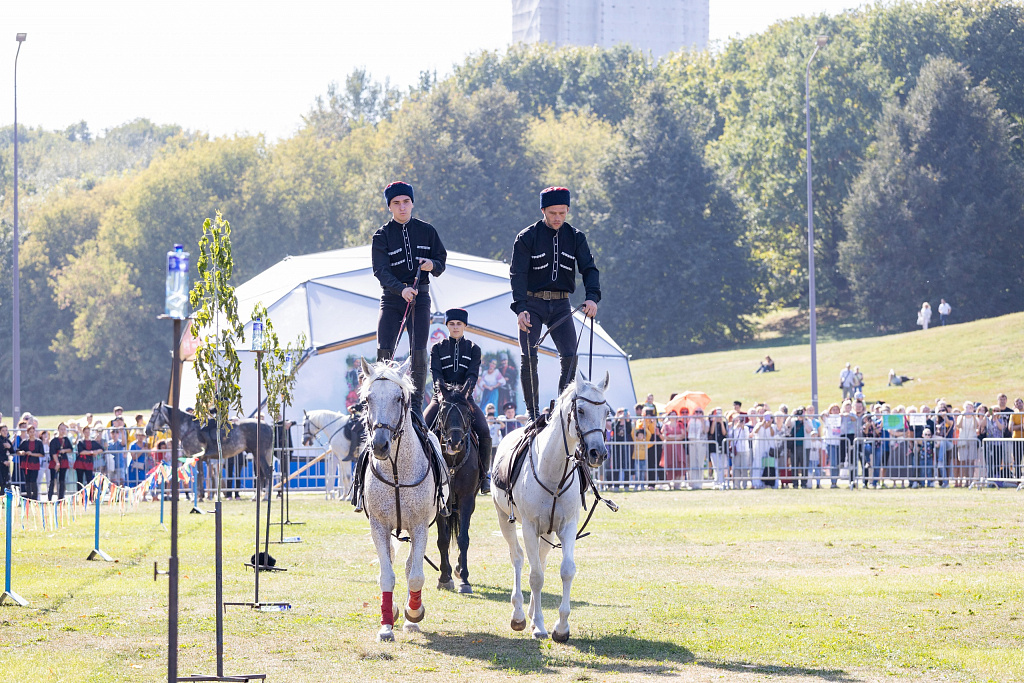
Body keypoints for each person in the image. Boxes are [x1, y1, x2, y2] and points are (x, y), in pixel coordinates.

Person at [510, 186, 600, 421]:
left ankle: (562, 410)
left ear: (568, 210)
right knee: (529, 355)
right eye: (552, 213)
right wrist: (520, 308)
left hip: (562, 305)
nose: (557, 218)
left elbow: (589, 269)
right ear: (543, 210)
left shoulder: (577, 237)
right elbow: (517, 274)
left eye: (562, 212)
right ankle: (532, 413)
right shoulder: (526, 237)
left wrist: (592, 296)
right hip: (532, 304)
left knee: (570, 356)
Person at [370, 180, 447, 418]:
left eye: (406, 202)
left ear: (412, 203)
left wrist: (431, 264)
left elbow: (441, 261)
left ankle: (414, 408)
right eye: (396, 203)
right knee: (384, 351)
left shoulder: (427, 231)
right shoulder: (381, 236)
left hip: (420, 298)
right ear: (389, 207)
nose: (402, 207)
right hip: (392, 299)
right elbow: (380, 271)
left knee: (419, 351)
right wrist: (400, 289)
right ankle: (382, 402)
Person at [421, 308, 493, 495]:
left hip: (464, 398)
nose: (455, 327)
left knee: (484, 430)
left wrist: (463, 393)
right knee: (422, 427)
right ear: (447, 326)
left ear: (464, 326)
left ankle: (485, 476)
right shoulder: (437, 348)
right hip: (442, 397)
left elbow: (472, 375)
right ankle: (421, 472)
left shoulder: (473, 349)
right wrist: (442, 392)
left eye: (458, 324)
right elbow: (436, 373)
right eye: (451, 324)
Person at [16, 425, 44, 500]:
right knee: (27, 482)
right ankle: (29, 499)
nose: (32, 433)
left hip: (35, 464)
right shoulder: (25, 442)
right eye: (30, 432)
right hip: (26, 464)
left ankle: (35, 499)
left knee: (33, 482)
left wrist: (32, 454)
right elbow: (18, 451)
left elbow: (42, 454)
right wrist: (22, 452)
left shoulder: (39, 442)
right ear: (28, 433)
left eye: (33, 431)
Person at [49, 423, 74, 500]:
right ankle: (50, 498)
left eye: (64, 429)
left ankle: (60, 498)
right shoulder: (53, 441)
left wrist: (64, 450)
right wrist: (57, 463)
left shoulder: (66, 440)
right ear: (58, 430)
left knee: (62, 480)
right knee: (53, 480)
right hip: (54, 462)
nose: (63, 431)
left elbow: (71, 449)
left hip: (64, 461)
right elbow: (53, 452)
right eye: (61, 429)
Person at [75, 426, 103, 492]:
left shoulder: (93, 442)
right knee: (80, 480)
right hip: (80, 463)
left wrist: (96, 452)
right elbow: (81, 452)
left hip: (89, 463)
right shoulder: (80, 442)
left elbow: (101, 449)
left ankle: (90, 496)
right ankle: (80, 495)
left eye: (88, 432)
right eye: (86, 432)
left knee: (89, 480)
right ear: (83, 432)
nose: (87, 433)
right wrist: (91, 452)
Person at [0, 425, 13, 492]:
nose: (5, 432)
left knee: (5, 484)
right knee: (1, 482)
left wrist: (9, 447)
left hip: (5, 465)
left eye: (6, 430)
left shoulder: (7, 440)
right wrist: (2, 461)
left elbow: (12, 451)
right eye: (3, 430)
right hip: (1, 463)